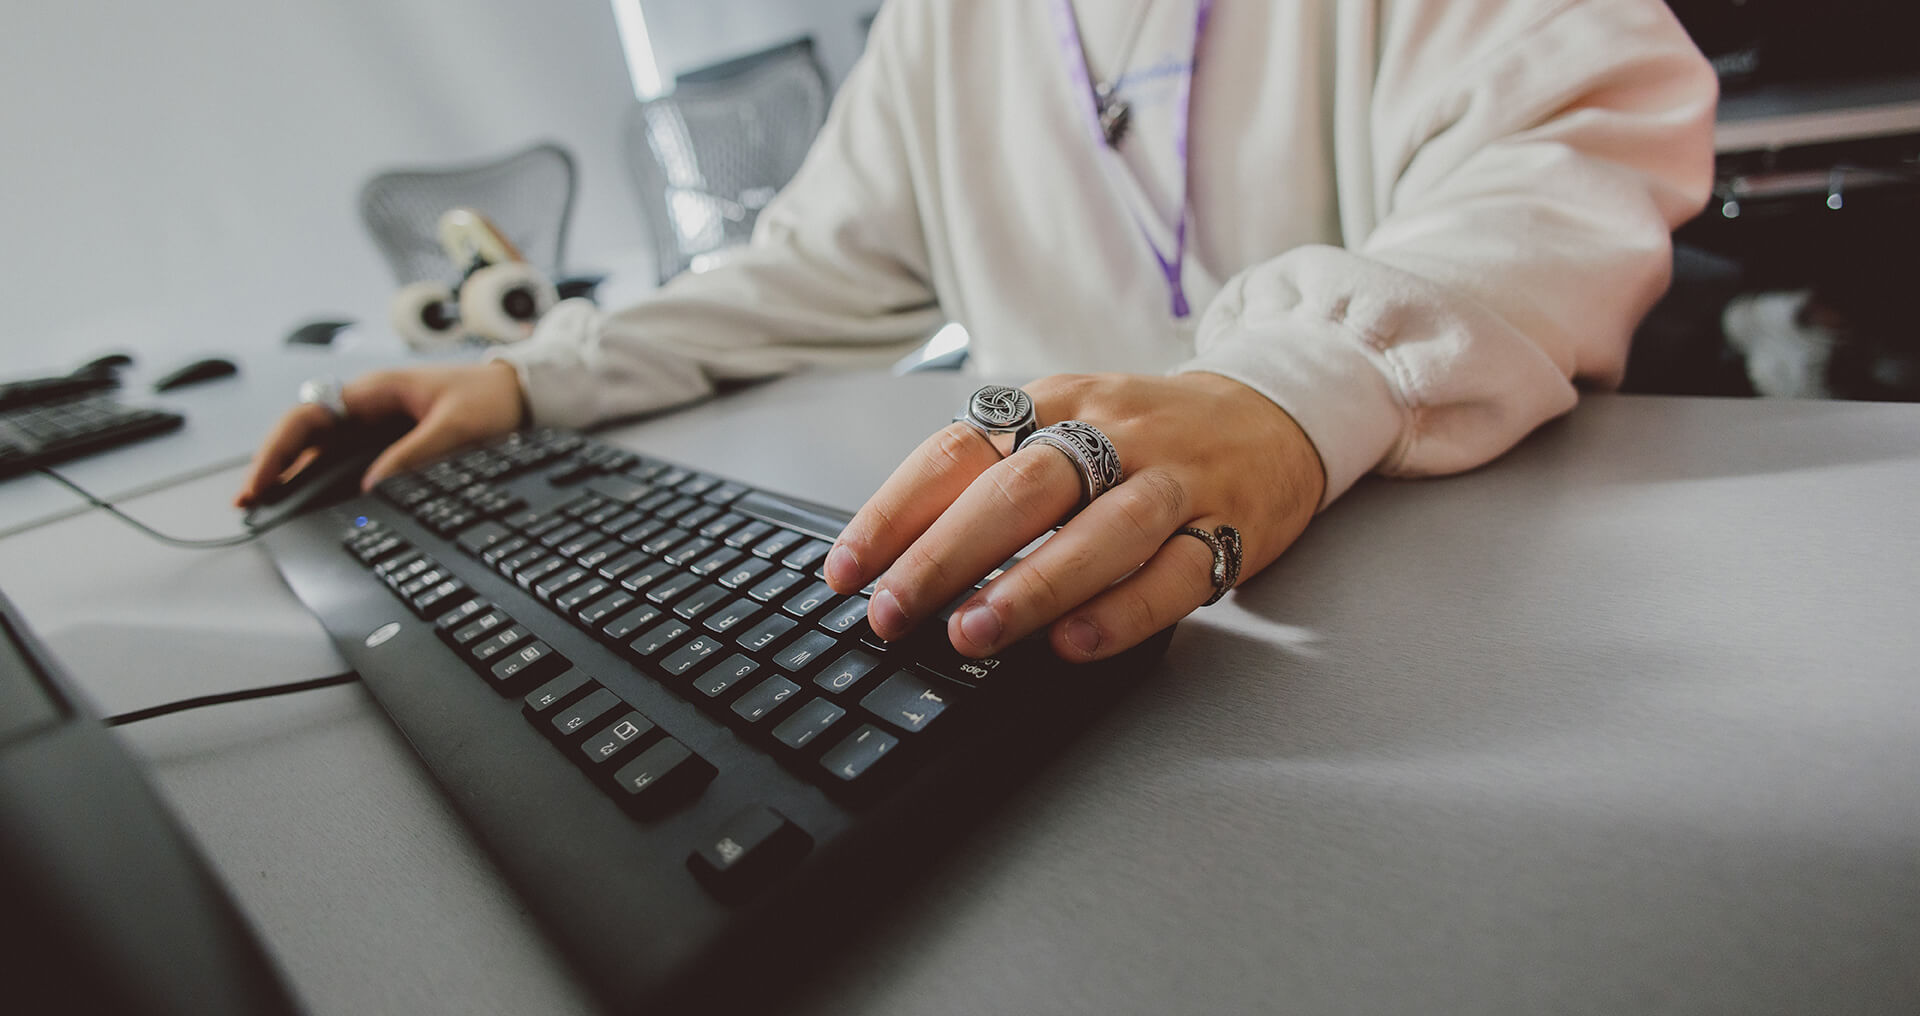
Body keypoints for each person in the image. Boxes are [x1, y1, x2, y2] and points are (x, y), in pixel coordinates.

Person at [239, 0, 1717, 665]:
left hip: (1456, 614)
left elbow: (1575, 142)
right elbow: (808, 266)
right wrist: (527, 373)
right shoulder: (943, 24)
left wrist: (1292, 389)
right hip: (1096, 647)